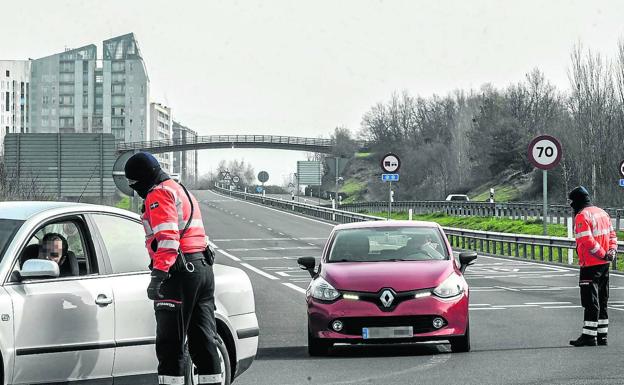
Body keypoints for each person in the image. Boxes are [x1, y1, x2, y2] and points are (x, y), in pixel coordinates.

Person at [124, 152, 222, 385]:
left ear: (142, 178)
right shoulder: (180, 189)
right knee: (203, 341)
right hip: (202, 268)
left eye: (134, 183)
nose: (135, 189)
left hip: (179, 273)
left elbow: (168, 239)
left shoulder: (158, 193)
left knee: (170, 344)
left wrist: (158, 276)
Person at [568, 186, 617, 347]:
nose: (571, 206)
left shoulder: (582, 216)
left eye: (572, 202)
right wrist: (611, 253)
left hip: (590, 264)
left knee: (590, 301)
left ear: (578, 201)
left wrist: (602, 253)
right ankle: (602, 336)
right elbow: (612, 236)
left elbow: (587, 241)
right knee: (603, 300)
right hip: (604, 265)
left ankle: (589, 336)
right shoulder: (602, 212)